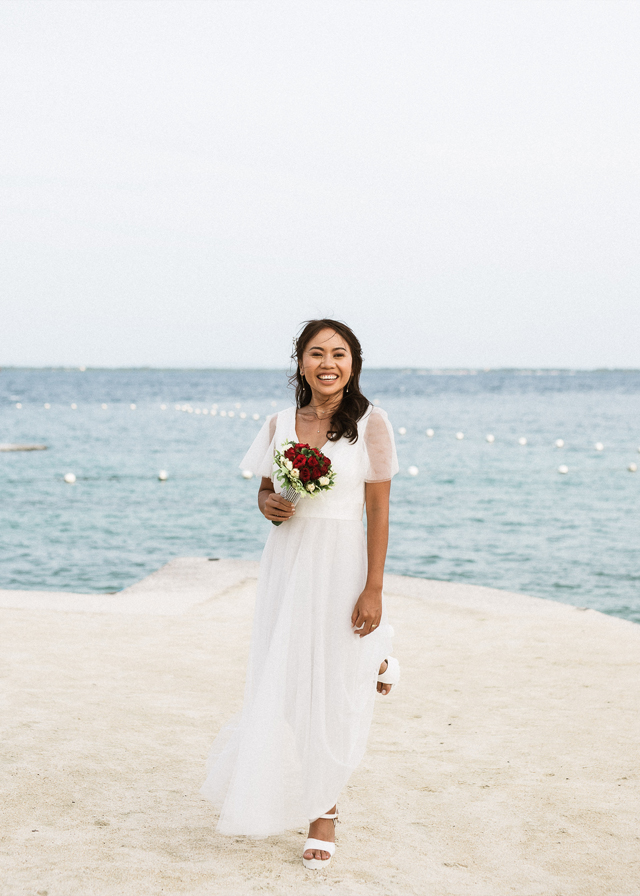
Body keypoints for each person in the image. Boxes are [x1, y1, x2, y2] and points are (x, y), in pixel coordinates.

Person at [199, 318, 400, 870]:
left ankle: (324, 811)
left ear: (353, 363)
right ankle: (376, 656)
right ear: (301, 362)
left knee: (332, 686)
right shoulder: (279, 422)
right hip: (288, 566)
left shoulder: (371, 424)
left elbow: (378, 510)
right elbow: (267, 492)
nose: (328, 363)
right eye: (317, 353)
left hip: (341, 561)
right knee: (288, 682)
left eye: (339, 353)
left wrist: (373, 588)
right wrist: (269, 506)